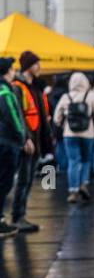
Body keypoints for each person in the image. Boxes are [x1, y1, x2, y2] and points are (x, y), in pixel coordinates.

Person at [9, 51, 55, 232]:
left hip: (37, 140)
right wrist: (26, 138)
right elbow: (19, 115)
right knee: (23, 179)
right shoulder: (18, 87)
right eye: (36, 64)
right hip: (27, 141)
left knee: (27, 180)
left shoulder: (35, 87)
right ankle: (17, 216)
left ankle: (21, 215)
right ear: (28, 66)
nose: (40, 67)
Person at [52, 71, 94, 204]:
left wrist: (63, 126)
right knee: (86, 160)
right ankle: (83, 185)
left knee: (73, 161)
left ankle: (73, 191)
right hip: (88, 134)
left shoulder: (66, 96)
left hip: (70, 134)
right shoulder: (91, 96)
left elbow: (56, 117)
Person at [0, 58, 35, 237]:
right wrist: (23, 138)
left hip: (5, 141)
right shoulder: (6, 92)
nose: (14, 72)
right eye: (12, 69)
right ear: (7, 71)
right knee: (6, 181)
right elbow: (14, 118)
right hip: (9, 143)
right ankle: (9, 219)